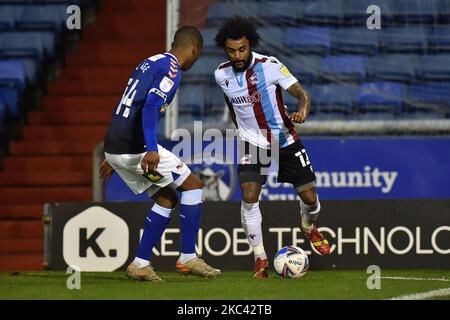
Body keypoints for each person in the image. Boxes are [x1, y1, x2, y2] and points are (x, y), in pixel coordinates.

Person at [100, 26, 220, 281]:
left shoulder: (150, 61)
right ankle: (188, 256)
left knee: (166, 198)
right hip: (135, 147)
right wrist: (151, 148)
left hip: (116, 146)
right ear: (195, 49)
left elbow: (128, 103)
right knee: (194, 186)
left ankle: (140, 264)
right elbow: (151, 107)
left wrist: (113, 152)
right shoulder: (171, 69)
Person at [214, 17, 330, 279]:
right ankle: (260, 259)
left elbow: (302, 93)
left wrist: (302, 109)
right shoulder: (221, 74)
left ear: (250, 46)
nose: (237, 55)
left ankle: (308, 225)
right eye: (231, 50)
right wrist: (244, 131)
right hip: (251, 142)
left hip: (284, 139)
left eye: (241, 49)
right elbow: (233, 106)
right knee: (249, 194)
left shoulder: (270, 66)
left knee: (310, 199)